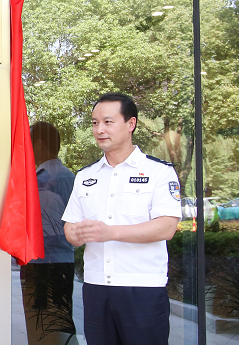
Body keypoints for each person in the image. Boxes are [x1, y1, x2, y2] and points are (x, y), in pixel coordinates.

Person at [62, 93, 181, 345]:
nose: (99, 130)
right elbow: (71, 226)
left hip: (142, 289)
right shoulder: (85, 176)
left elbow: (166, 227)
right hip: (96, 288)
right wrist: (75, 235)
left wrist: (111, 232)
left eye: (108, 122)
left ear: (131, 124)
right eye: (95, 123)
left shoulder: (158, 172)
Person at [21, 122, 77, 345]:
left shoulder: (41, 180)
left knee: (43, 326)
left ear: (39, 144)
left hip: (43, 265)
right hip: (64, 262)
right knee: (59, 322)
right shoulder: (71, 178)